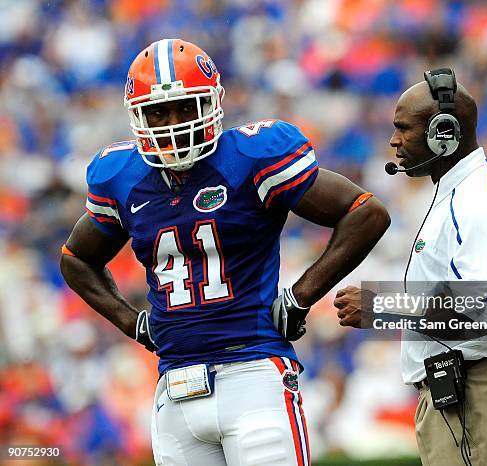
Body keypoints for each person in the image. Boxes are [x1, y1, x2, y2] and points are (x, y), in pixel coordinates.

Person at [60, 39, 390, 466]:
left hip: (254, 375)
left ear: (213, 103)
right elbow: (75, 258)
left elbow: (366, 213)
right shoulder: (120, 176)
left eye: (185, 107)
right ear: (138, 116)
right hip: (174, 388)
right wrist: (132, 322)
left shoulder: (251, 155)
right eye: (159, 111)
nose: (174, 122)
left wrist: (301, 295)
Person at [334, 69, 487, 466]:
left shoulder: (479, 203)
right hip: (467, 391)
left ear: (443, 132)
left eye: (403, 129)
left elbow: (481, 312)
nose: (393, 141)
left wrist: (381, 307)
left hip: (484, 390)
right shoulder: (457, 194)